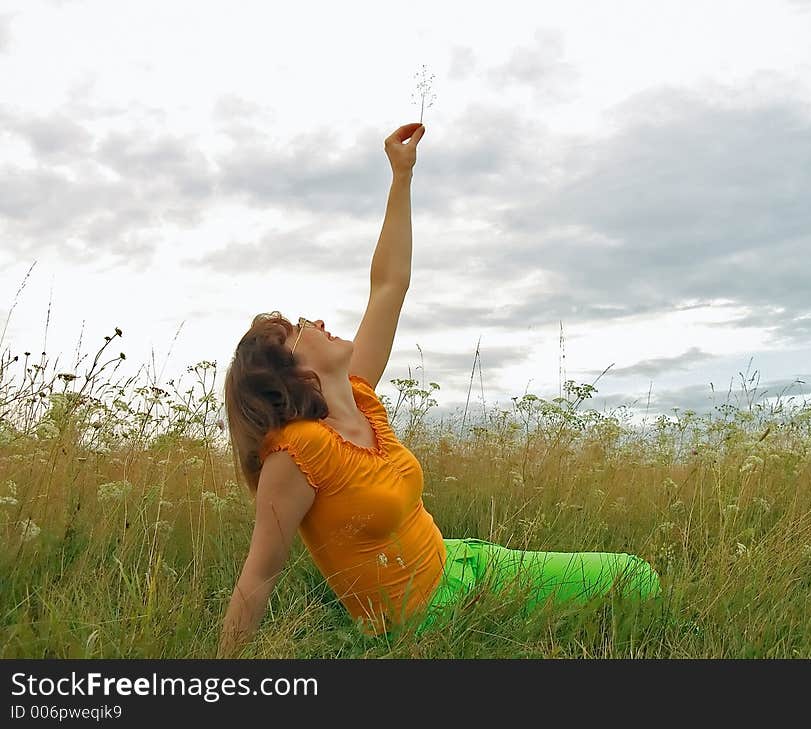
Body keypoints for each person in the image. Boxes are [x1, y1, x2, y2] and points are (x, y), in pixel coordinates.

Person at [217, 122, 660, 657]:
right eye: (299, 330)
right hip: (426, 625)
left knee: (636, 578)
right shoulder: (299, 453)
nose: (316, 322)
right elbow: (259, 575)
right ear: (291, 375)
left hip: (466, 565)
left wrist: (400, 177)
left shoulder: (360, 397)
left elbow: (389, 285)